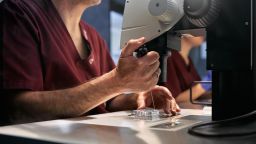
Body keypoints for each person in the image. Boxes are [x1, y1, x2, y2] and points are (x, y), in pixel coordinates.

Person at [0, 0, 180, 125]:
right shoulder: (19, 14)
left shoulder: (93, 36)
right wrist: (116, 81)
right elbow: (18, 109)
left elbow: (108, 102)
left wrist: (136, 98)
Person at [166, 35, 211, 108]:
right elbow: (173, 99)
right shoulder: (169, 57)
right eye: (199, 28)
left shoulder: (188, 60)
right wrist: (206, 83)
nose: (203, 33)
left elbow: (196, 93)